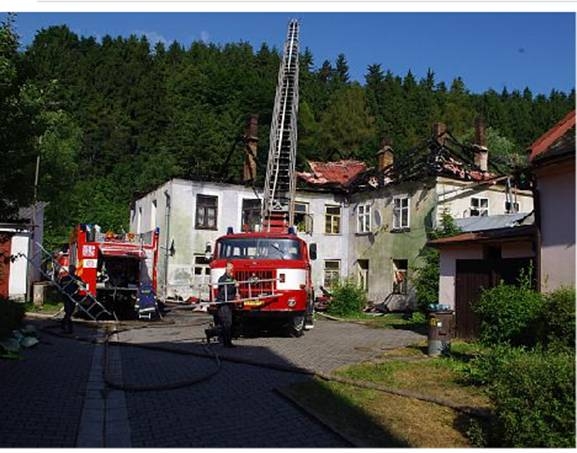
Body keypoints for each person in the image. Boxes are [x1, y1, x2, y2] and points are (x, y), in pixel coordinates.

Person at [215, 261, 239, 348]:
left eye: (231, 267)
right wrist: (233, 284)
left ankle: (227, 341)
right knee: (226, 322)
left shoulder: (232, 278)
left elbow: (233, 290)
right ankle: (225, 342)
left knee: (229, 322)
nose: (230, 269)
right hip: (223, 303)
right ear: (226, 268)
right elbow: (224, 289)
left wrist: (236, 292)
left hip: (229, 302)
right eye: (229, 267)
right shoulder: (223, 278)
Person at [59, 264, 80, 334]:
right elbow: (60, 287)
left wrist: (77, 290)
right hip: (66, 297)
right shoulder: (64, 278)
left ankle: (63, 323)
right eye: (71, 269)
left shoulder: (77, 278)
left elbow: (82, 285)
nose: (72, 271)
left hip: (73, 297)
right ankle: (69, 328)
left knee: (70, 312)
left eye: (73, 269)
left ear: (74, 270)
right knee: (68, 312)